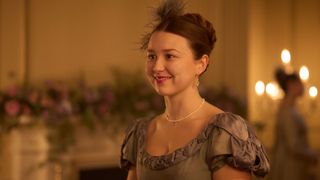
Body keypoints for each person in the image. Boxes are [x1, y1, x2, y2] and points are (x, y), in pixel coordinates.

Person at [120, 0, 270, 179]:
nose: (157, 67)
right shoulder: (141, 133)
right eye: (151, 56)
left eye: (170, 56)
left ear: (201, 64)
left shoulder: (224, 133)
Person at [270, 68, 318, 180]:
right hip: (289, 168)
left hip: (295, 166)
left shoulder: (292, 109)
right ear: (291, 85)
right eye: (300, 83)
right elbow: (293, 145)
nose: (303, 87)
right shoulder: (287, 111)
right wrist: (312, 155)